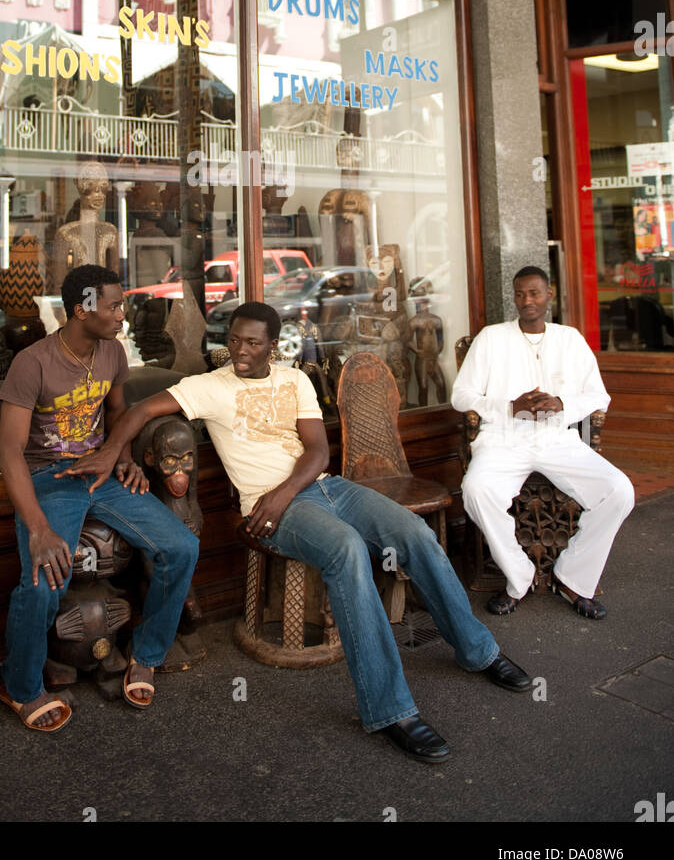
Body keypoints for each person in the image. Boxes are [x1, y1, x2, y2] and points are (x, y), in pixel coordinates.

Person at [69, 301, 531, 765]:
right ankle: (392, 709)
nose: (240, 350)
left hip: (324, 489)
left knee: (412, 532)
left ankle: (478, 651)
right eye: (233, 340)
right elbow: (138, 410)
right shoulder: (207, 387)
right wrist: (116, 454)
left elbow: (318, 452)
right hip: (270, 510)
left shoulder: (295, 380)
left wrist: (286, 491)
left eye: (252, 343)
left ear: (273, 344)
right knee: (347, 551)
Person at [0, 263, 198, 731]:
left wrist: (121, 455)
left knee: (181, 546)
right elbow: (9, 453)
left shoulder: (112, 352)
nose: (122, 313)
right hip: (49, 479)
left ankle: (146, 655)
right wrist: (40, 530)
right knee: (45, 580)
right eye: (113, 305)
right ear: (81, 309)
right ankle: (20, 685)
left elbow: (117, 410)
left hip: (100, 474)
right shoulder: (33, 362)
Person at [452, 266, 635, 620]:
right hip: (503, 438)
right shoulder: (491, 338)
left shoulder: (570, 339)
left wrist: (563, 404)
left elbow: (599, 395)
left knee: (619, 491)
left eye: (534, 293)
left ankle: (573, 578)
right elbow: (461, 396)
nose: (527, 301)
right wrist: (508, 406)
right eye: (520, 294)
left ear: (549, 294)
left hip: (557, 438)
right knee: (476, 490)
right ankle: (519, 577)